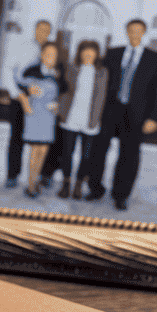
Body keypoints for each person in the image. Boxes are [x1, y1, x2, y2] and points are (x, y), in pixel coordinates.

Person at [85, 19, 157, 210]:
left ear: (143, 32)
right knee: (98, 150)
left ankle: (121, 195)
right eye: (131, 30)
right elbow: (100, 82)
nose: (134, 34)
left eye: (138, 31)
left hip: (136, 114)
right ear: (127, 31)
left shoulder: (156, 59)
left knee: (129, 155)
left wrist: (153, 118)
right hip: (110, 110)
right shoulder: (113, 53)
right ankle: (95, 188)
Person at [3, 20, 52, 188]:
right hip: (20, 96)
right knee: (16, 138)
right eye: (41, 29)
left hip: (40, 102)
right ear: (35, 29)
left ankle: (39, 176)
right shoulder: (21, 46)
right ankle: (12, 175)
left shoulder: (49, 53)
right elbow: (8, 70)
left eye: (47, 30)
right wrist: (18, 94)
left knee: (41, 139)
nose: (43, 33)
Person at [56, 40, 108, 199]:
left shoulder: (102, 72)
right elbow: (64, 90)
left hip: (90, 119)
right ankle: (66, 184)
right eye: (85, 51)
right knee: (67, 153)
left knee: (86, 155)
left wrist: (96, 119)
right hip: (71, 116)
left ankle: (78, 184)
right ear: (79, 53)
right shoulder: (72, 68)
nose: (88, 55)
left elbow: (102, 97)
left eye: (91, 52)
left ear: (97, 54)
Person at [18, 42, 66, 197]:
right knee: (34, 149)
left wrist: (58, 105)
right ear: (41, 55)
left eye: (54, 55)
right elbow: (20, 88)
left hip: (49, 117)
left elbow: (64, 91)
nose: (50, 57)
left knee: (44, 150)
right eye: (47, 54)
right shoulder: (31, 70)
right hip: (34, 114)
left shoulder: (58, 74)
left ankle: (36, 179)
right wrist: (26, 99)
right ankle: (31, 185)